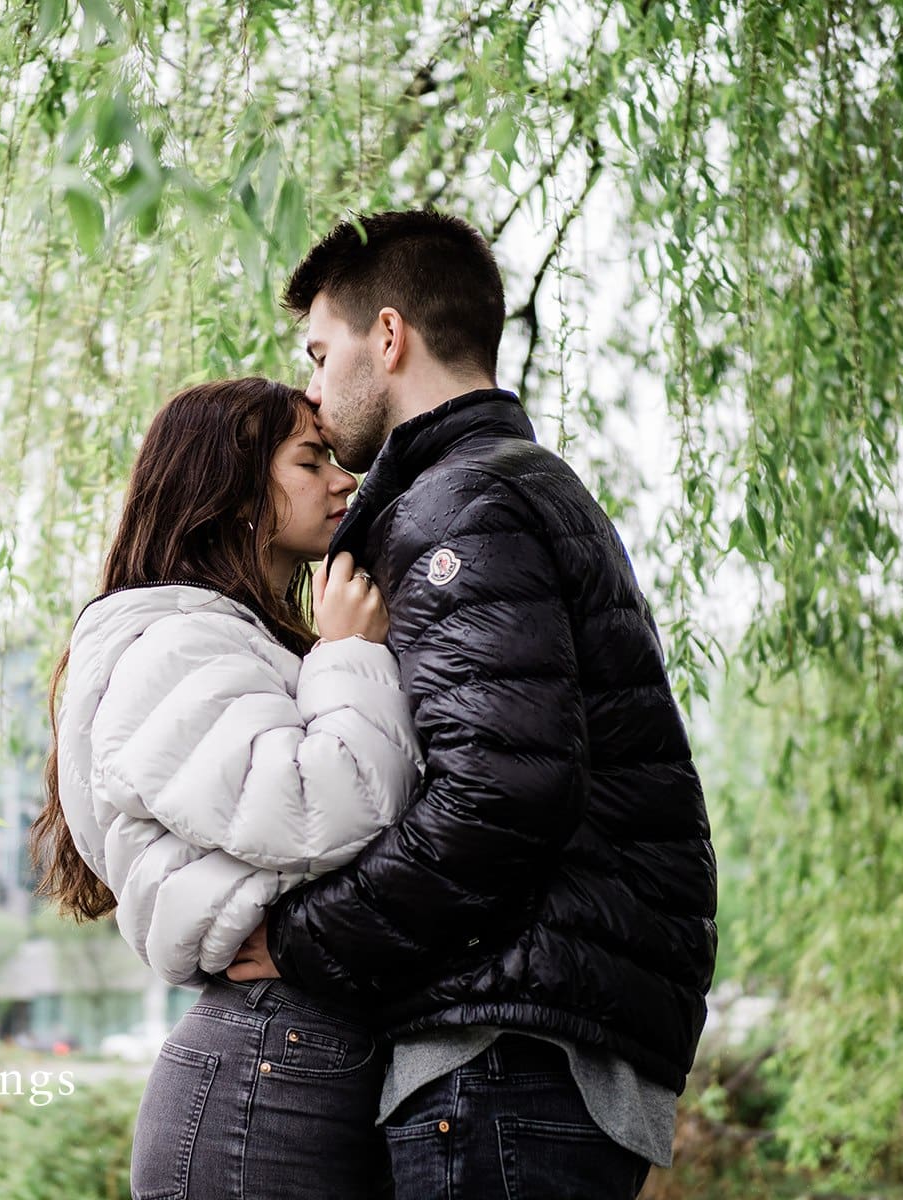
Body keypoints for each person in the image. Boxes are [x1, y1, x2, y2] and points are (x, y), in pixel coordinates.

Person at [226, 209, 718, 1198]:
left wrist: (295, 937)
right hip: (538, 1037)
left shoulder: (460, 508)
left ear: (390, 337)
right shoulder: (516, 488)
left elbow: (499, 794)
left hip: (505, 1050)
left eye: (321, 355)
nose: (313, 396)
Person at [31, 377, 422, 1199]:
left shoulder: (228, 641)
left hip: (285, 1059)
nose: (343, 479)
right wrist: (350, 654)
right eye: (309, 461)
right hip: (262, 1079)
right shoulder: (177, 645)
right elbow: (317, 807)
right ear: (232, 487)